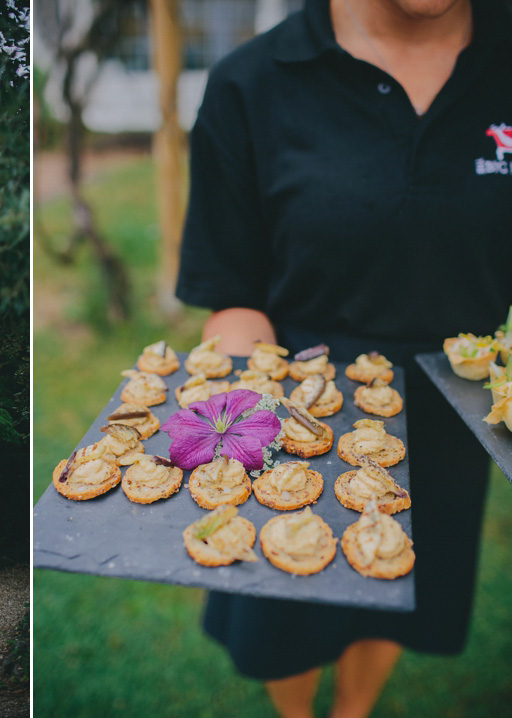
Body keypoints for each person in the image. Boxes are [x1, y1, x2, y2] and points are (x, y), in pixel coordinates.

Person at [176, 1, 512, 716]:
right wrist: (236, 421)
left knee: (395, 587)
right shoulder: (252, 83)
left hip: (457, 420)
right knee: (287, 612)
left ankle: (353, 711)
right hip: (297, 418)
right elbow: (232, 292)